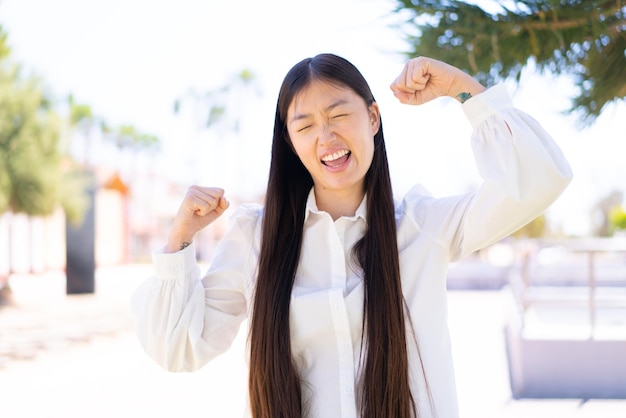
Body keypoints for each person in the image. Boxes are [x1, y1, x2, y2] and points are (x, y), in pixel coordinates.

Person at [132, 53, 572, 418]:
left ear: (373, 118)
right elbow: (178, 348)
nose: (326, 137)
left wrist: (462, 88)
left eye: (340, 115)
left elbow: (538, 181)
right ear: (289, 141)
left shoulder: (421, 226)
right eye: (304, 126)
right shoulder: (257, 240)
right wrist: (180, 240)